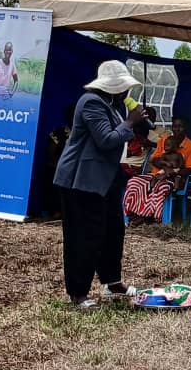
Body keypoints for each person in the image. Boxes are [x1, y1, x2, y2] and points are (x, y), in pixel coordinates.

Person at [54, 60, 147, 308]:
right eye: (123, 86)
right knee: (84, 236)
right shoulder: (91, 102)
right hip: (81, 180)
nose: (127, 91)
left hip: (106, 179)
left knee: (114, 231)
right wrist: (130, 123)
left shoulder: (113, 103)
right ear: (112, 86)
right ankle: (78, 293)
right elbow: (106, 139)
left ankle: (112, 281)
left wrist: (135, 122)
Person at [122, 135, 186, 224]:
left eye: (168, 146)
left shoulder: (180, 154)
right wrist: (166, 165)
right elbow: (156, 160)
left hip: (173, 174)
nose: (165, 147)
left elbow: (184, 167)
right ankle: (134, 214)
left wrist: (174, 170)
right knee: (134, 182)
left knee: (161, 187)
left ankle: (153, 217)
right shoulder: (164, 154)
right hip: (160, 172)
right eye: (165, 145)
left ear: (175, 147)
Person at [149, 116, 191, 182]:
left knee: (160, 189)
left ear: (186, 128)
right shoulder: (164, 140)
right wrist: (166, 168)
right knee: (133, 182)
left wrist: (173, 172)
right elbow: (154, 160)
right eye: (175, 126)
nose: (177, 129)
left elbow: (189, 168)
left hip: (173, 179)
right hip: (155, 175)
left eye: (181, 126)